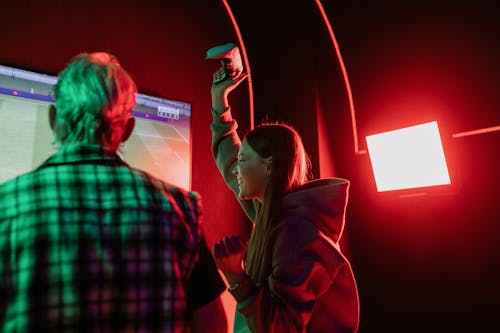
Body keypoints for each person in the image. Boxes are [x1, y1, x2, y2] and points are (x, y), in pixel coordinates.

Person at [0, 52, 227, 332]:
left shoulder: (6, 206)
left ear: (53, 118)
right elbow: (212, 323)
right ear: (128, 129)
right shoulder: (180, 208)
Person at [209, 65, 360, 332]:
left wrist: (237, 277)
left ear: (268, 167)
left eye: (244, 161)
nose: (236, 168)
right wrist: (220, 101)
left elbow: (283, 327)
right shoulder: (271, 216)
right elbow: (229, 158)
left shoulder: (296, 234)